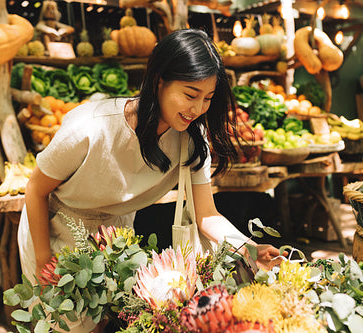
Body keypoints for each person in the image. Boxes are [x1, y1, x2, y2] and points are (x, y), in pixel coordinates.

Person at [17, 28, 283, 332]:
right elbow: (35, 190)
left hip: (113, 240)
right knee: (62, 325)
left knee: (102, 322)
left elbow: (207, 215)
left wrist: (248, 248)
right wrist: (42, 260)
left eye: (208, 98)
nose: (197, 110)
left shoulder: (192, 141)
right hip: (52, 229)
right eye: (190, 94)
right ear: (159, 81)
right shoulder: (89, 128)